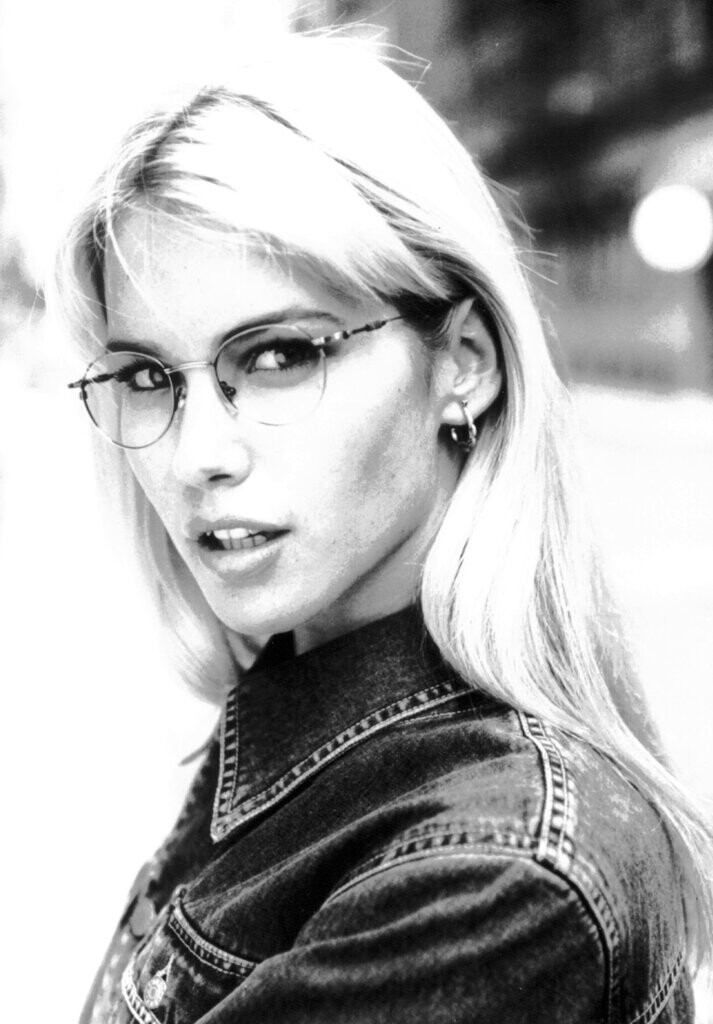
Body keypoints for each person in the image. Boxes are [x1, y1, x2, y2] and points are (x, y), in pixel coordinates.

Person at [52, 32, 711, 1024]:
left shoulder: (487, 883)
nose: (196, 457)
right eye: (148, 376)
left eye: (278, 356)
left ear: (463, 362)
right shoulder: (307, 716)